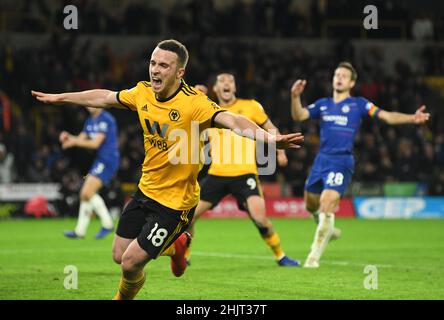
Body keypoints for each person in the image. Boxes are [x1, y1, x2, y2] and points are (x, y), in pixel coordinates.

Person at [32, 39, 303, 300]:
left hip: (175, 203)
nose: (155, 70)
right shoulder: (142, 92)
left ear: (179, 72)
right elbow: (105, 97)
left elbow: (233, 120)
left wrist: (270, 139)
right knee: (118, 254)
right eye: (153, 63)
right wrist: (61, 98)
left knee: (129, 264)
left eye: (164, 65)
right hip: (145, 192)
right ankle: (176, 247)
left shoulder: (194, 103)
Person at [290, 61, 430, 268]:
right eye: (337, 74)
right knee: (311, 204)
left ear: (352, 82)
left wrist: (412, 118)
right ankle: (327, 228)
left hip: (342, 161)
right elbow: (299, 115)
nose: (339, 78)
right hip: (322, 160)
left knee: (327, 202)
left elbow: (388, 117)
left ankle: (313, 257)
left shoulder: (359, 104)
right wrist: (295, 96)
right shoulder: (323, 104)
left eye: (344, 76)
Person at [186, 73, 300, 267]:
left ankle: (280, 255)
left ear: (235, 87)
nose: (226, 84)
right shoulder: (209, 110)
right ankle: (184, 256)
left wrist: (280, 152)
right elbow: (188, 125)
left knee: (260, 218)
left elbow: (270, 127)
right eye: (222, 81)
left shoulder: (251, 107)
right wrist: (193, 97)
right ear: (215, 88)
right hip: (217, 174)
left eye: (230, 81)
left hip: (245, 173)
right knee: (189, 216)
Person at [59, 107, 119, 240]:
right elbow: (80, 138)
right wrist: (69, 138)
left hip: (109, 159)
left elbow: (95, 143)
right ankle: (80, 231)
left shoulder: (106, 119)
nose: (90, 105)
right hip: (100, 160)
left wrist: (74, 141)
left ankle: (107, 224)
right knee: (84, 194)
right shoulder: (90, 121)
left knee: (87, 193)